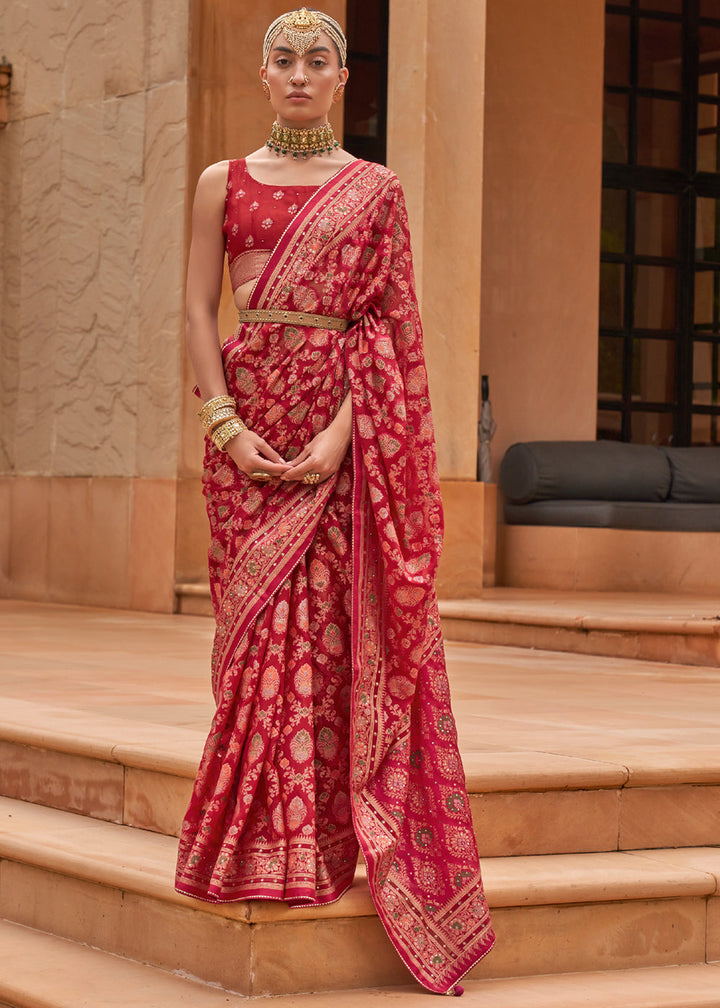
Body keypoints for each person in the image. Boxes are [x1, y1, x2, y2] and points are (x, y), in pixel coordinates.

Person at [174, 8, 495, 995]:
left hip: (338, 440)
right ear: (263, 73)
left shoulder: (375, 192)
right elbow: (195, 307)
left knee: (323, 638)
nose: (302, 73)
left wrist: (333, 441)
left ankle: (315, 840)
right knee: (254, 639)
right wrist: (227, 427)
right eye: (286, 59)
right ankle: (253, 833)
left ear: (345, 76)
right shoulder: (219, 183)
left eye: (320, 59)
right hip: (243, 433)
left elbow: (392, 327)